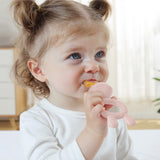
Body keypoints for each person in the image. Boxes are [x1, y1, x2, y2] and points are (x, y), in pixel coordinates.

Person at [11, 0, 138, 159]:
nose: (93, 66)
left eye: (99, 54)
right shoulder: (37, 120)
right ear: (38, 70)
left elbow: (125, 156)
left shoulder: (110, 110)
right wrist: (93, 132)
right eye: (75, 56)